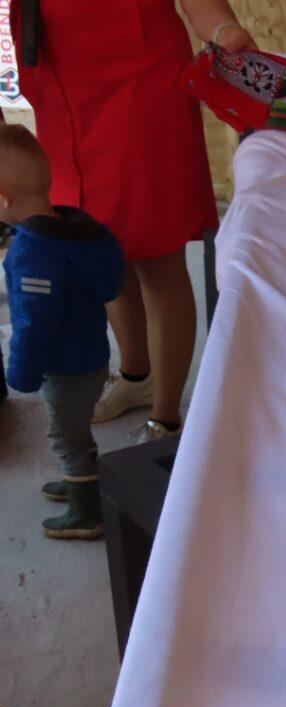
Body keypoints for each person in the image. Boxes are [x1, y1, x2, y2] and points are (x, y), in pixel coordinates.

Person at [11, 1, 257, 443]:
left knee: (157, 254)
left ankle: (166, 417)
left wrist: (222, 29)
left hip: (141, 84)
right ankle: (135, 375)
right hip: (60, 87)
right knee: (100, 243)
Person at [1, 124, 125, 538]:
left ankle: (86, 514)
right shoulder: (78, 232)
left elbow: (33, 321)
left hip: (66, 368)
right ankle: (82, 481)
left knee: (65, 435)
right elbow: (111, 283)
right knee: (76, 427)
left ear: (3, 198)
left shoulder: (33, 253)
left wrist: (21, 374)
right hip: (92, 358)